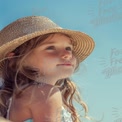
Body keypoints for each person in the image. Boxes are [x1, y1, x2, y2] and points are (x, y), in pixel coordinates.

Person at [0, 16, 95, 122]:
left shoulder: (18, 97)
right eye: (50, 48)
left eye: (68, 48)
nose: (67, 54)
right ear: (14, 59)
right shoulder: (45, 93)